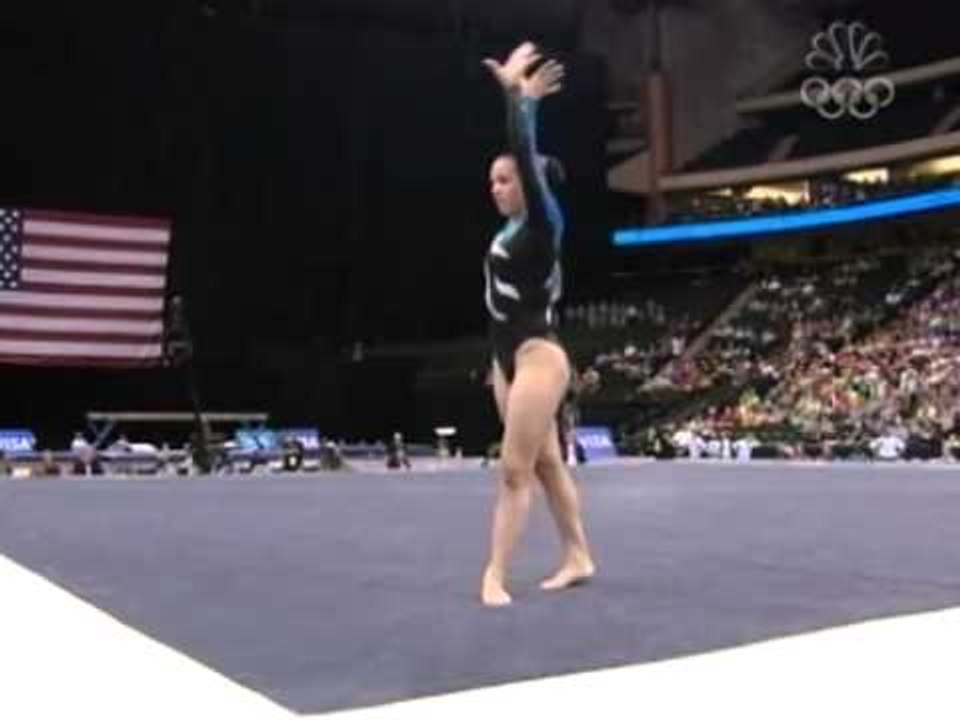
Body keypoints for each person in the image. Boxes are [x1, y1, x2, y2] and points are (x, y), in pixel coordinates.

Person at [479, 42, 595, 607]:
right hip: (506, 358)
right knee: (547, 464)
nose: (496, 187)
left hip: (537, 356)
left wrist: (518, 101)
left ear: (530, 185)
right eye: (493, 180)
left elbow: (527, 156)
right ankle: (578, 555)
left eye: (504, 179)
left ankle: (494, 575)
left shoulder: (543, 225)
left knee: (513, 470)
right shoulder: (507, 234)